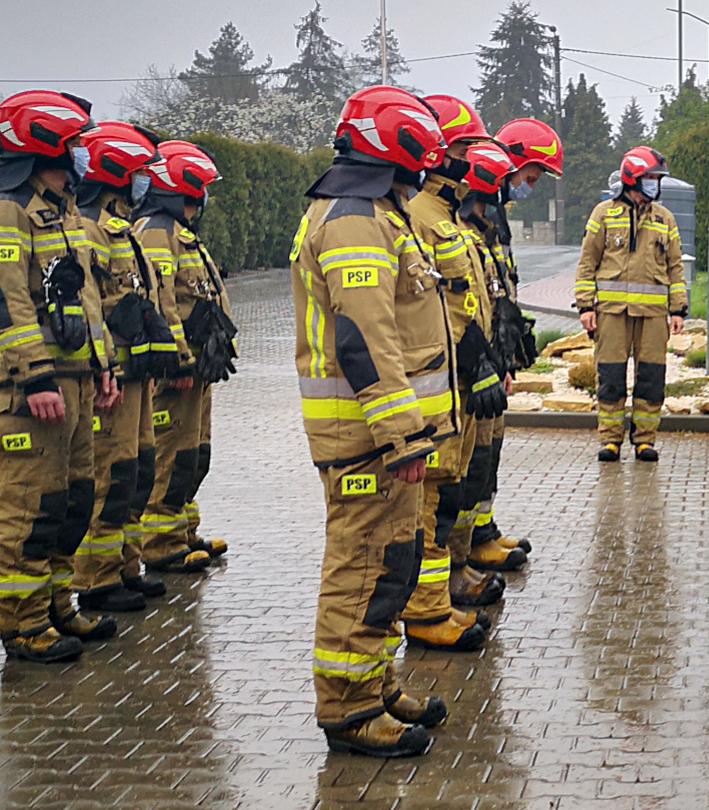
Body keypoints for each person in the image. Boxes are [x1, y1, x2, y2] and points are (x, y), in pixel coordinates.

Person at [292, 85, 457, 757]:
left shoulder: (379, 213)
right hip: (368, 437)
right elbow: (365, 336)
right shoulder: (355, 220)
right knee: (363, 566)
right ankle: (349, 708)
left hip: (382, 436)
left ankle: (376, 684)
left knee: (392, 562)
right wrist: (403, 435)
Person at [0, 90, 117, 662]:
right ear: (45, 143)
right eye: (74, 143)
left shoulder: (65, 211)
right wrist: (34, 377)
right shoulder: (6, 209)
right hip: (31, 390)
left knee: (72, 502)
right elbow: (3, 298)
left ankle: (59, 607)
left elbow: (87, 300)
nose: (83, 153)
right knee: (29, 510)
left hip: (75, 380)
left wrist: (104, 365)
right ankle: (23, 625)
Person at [399, 95, 518, 650]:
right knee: (430, 501)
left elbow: (468, 299)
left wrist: (490, 354)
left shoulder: (443, 217)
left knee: (451, 490)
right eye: (466, 149)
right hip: (437, 380)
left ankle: (447, 585)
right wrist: (476, 357)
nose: (472, 162)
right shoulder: (421, 217)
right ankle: (427, 610)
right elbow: (435, 307)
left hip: (459, 381)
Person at [70, 121, 177, 613]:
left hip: (137, 372)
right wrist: (104, 366)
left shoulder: (120, 226)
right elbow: (92, 301)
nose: (145, 182)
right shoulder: (90, 227)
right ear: (115, 170)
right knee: (110, 475)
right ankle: (96, 578)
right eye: (138, 172)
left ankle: (127, 564)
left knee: (137, 471)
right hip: (114, 373)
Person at [469, 116, 564, 562]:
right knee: (474, 454)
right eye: (531, 176)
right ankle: (471, 542)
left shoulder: (496, 213)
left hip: (494, 350)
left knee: (489, 448)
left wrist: (507, 352)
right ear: (511, 163)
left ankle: (482, 529)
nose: (531, 186)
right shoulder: (475, 210)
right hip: (478, 354)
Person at [132, 142, 229, 576]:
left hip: (198, 366)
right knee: (171, 455)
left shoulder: (177, 229)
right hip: (180, 369)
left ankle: (184, 530)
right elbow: (162, 299)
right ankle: (160, 545)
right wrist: (177, 360)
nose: (205, 196)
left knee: (194, 455)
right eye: (201, 187)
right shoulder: (157, 231)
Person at [574, 146, 686, 462]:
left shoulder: (665, 218)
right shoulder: (603, 214)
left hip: (653, 315)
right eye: (650, 177)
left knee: (651, 378)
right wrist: (585, 306)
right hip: (612, 313)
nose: (655, 183)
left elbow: (675, 267)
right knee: (611, 377)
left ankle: (645, 441)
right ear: (633, 177)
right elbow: (587, 262)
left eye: (657, 178)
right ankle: (610, 440)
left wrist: (678, 309)